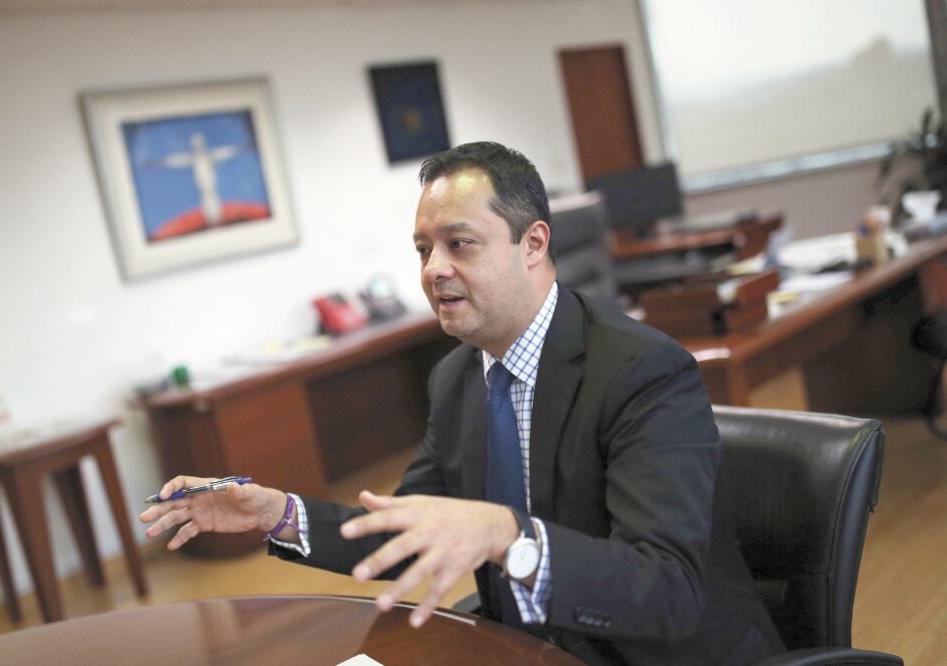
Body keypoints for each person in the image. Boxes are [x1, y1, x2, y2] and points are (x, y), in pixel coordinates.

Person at [140, 141, 784, 665]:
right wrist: (277, 513)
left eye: (459, 244)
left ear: (532, 244)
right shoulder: (456, 380)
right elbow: (408, 530)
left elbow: (665, 592)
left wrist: (508, 536)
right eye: (423, 250)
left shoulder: (642, 370)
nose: (432, 270)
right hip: (521, 649)